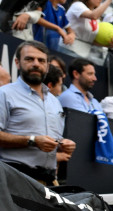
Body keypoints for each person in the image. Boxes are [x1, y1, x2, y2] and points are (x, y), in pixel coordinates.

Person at [0, 41, 74, 185]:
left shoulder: (55, 102)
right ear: (17, 62)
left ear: (47, 66)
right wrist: (32, 140)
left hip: (48, 182)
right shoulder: (4, 94)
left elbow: (49, 141)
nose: (36, 64)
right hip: (13, 178)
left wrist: (62, 144)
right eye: (29, 59)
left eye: (41, 60)